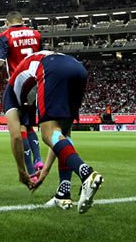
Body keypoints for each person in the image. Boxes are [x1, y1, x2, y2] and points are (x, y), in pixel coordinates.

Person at [7, 50, 104, 213]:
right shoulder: (31, 88)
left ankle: (86, 174)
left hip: (50, 67)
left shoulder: (10, 93)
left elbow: (16, 136)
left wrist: (22, 172)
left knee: (48, 133)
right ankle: (63, 193)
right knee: (62, 133)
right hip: (77, 67)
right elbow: (59, 137)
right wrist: (44, 171)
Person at [0, 11, 44, 176]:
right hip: (35, 83)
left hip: (17, 82)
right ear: (22, 21)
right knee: (29, 125)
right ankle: (38, 159)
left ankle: (30, 172)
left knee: (20, 127)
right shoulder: (36, 34)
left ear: (6, 23)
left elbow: (0, 63)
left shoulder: (4, 36)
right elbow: (41, 56)